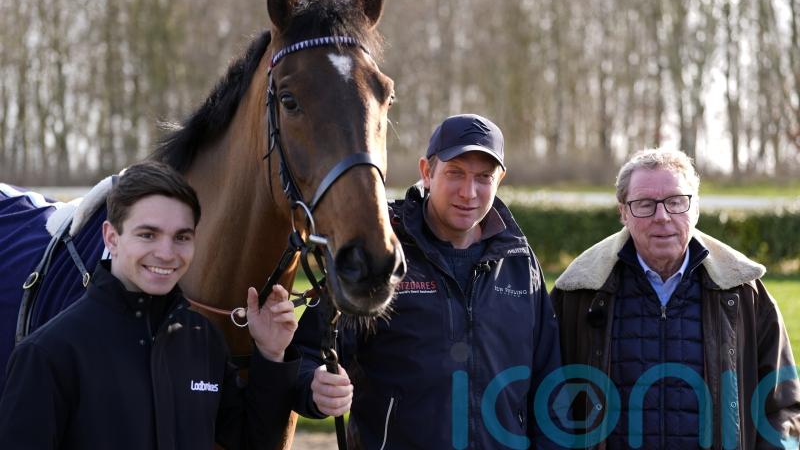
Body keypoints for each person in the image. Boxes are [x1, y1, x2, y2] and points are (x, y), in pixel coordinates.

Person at [292, 114, 562, 448]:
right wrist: (313, 386)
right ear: (426, 172)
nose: (469, 192)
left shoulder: (521, 262)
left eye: (483, 177)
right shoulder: (380, 256)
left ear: (500, 179)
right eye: (455, 173)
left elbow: (549, 383)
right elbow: (304, 354)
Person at [0, 160, 300, 449]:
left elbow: (253, 440)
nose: (167, 253)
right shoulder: (48, 354)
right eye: (148, 235)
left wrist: (271, 355)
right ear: (112, 238)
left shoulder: (203, 341)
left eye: (181, 237)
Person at [551, 148, 800, 448]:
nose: (662, 217)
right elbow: (548, 401)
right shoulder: (579, 294)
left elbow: (783, 407)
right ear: (623, 212)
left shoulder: (744, 294)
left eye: (676, 202)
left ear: (695, 209)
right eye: (644, 204)